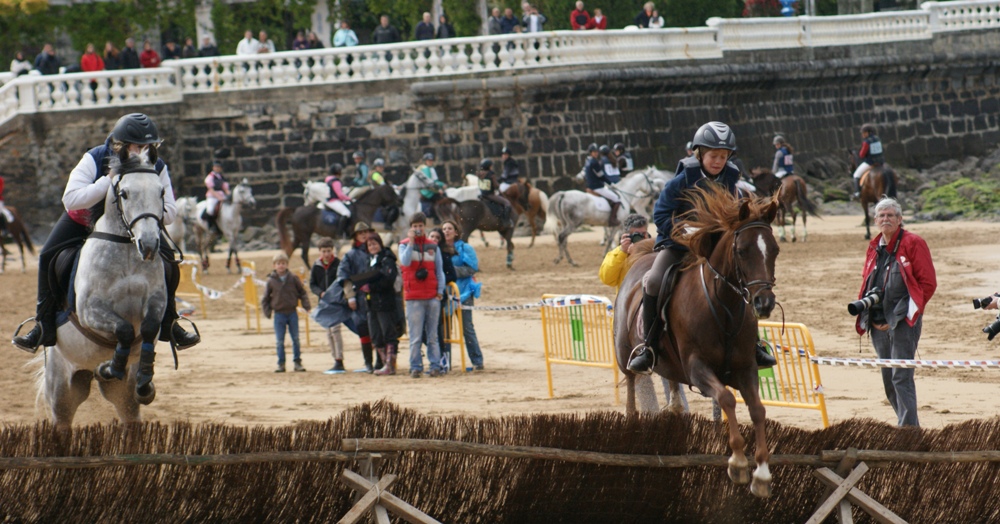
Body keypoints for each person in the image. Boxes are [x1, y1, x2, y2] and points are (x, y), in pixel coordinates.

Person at [12, 113, 199, 353]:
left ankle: (171, 323)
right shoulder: (95, 157)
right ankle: (43, 324)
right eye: (138, 146)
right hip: (82, 219)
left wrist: (147, 206)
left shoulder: (156, 165)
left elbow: (171, 212)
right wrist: (109, 180)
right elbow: (70, 199)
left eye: (149, 146)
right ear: (121, 144)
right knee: (47, 255)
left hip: (133, 225)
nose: (144, 151)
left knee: (169, 262)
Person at [627, 121, 776, 374]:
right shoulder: (679, 182)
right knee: (653, 282)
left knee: (744, 281)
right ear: (700, 154)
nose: (718, 161)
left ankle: (754, 343)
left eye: (723, 156)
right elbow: (660, 215)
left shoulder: (732, 183)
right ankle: (648, 347)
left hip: (715, 250)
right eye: (713, 156)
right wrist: (686, 231)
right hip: (678, 247)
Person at [855, 197, 936, 427]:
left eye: (891, 215)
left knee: (901, 377)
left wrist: (908, 314)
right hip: (878, 323)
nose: (886, 219)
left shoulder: (913, 242)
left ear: (900, 220)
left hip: (903, 322)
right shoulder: (874, 247)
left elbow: (928, 283)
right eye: (881, 215)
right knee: (888, 379)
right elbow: (866, 280)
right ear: (875, 220)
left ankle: (909, 432)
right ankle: (905, 424)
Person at [599, 213, 690, 410]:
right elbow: (606, 276)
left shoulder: (657, 248)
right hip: (629, 318)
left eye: (644, 233)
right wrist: (623, 252)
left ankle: (679, 410)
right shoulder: (618, 253)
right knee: (640, 374)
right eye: (636, 235)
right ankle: (651, 416)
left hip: (654, 310)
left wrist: (649, 247)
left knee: (669, 367)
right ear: (626, 236)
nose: (641, 237)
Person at [399, 212, 446, 378]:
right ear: (410, 228)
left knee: (433, 336)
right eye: (415, 226)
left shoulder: (433, 245)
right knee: (415, 337)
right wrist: (411, 243)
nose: (418, 229)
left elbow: (439, 270)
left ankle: (435, 366)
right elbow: (404, 262)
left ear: (424, 226)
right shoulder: (404, 245)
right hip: (414, 298)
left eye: (420, 226)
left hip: (432, 296)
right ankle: (415, 366)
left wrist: (439, 292)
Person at [337, 222, 382, 373]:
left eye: (366, 232)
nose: (364, 235)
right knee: (363, 330)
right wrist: (350, 297)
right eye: (360, 233)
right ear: (355, 236)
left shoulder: (376, 251)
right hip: (359, 298)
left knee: (378, 330)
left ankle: (380, 361)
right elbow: (344, 277)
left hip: (376, 295)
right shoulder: (350, 255)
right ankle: (368, 362)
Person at [441, 220, 485, 371]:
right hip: (445, 294)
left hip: (464, 292)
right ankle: (445, 363)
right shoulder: (438, 250)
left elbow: (471, 269)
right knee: (445, 330)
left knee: (467, 328)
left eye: (449, 228)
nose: (446, 231)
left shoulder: (465, 248)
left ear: (456, 231)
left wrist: (450, 271)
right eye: (444, 229)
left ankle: (477, 361)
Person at [358, 233, 401, 376]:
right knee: (376, 335)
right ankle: (384, 362)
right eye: (370, 245)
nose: (372, 247)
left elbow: (388, 279)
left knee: (389, 333)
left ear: (380, 244)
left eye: (375, 243)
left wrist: (371, 287)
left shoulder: (387, 259)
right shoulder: (368, 260)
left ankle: (390, 365)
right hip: (371, 303)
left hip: (385, 301)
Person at [262, 252, 311, 373]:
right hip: (279, 314)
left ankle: (297, 362)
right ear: (274, 265)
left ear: (287, 265)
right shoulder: (271, 281)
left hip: (292, 313)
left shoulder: (293, 278)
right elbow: (265, 298)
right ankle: (281, 363)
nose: (281, 266)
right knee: (279, 341)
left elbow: (302, 292)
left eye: (283, 263)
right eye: (278, 264)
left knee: (295, 338)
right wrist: (267, 312)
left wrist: (306, 306)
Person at [308, 237, 345, 374]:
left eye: (329, 251)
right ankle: (334, 357)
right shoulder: (316, 266)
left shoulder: (338, 264)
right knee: (328, 332)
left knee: (336, 330)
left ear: (332, 250)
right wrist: (320, 293)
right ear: (319, 252)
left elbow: (342, 281)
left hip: (336, 303)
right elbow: (312, 284)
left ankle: (339, 358)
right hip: (323, 303)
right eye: (324, 251)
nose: (327, 254)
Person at [427, 227, 455, 371]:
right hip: (422, 294)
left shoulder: (444, 255)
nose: (434, 240)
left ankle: (443, 359)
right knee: (423, 331)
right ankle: (433, 358)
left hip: (437, 295)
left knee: (436, 329)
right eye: (432, 236)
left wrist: (438, 280)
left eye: (437, 238)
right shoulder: (421, 252)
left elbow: (452, 275)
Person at [583, 143, 621, 227]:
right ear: (590, 152)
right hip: (597, 187)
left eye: (596, 152)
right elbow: (601, 175)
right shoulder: (594, 162)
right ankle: (612, 219)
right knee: (617, 199)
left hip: (589, 186)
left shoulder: (588, 161)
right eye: (594, 152)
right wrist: (610, 183)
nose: (596, 153)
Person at [852, 123, 884, 198]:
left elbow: (862, 155)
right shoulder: (878, 139)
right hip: (881, 162)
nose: (862, 135)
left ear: (868, 132)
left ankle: (857, 193)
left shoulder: (866, 142)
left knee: (856, 175)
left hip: (871, 163)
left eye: (864, 133)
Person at [477, 158, 513, 224]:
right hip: (490, 195)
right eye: (491, 165)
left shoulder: (479, 174)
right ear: (488, 166)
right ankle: (506, 221)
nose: (491, 167)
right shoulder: (491, 174)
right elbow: (496, 186)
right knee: (507, 203)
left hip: (482, 194)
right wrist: (498, 185)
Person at [202, 159, 230, 235]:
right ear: (213, 168)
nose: (217, 168)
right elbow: (211, 189)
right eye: (216, 167)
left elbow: (225, 188)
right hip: (212, 196)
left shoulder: (221, 177)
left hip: (221, 195)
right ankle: (211, 227)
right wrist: (218, 197)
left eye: (219, 167)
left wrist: (229, 194)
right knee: (210, 210)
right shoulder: (210, 177)